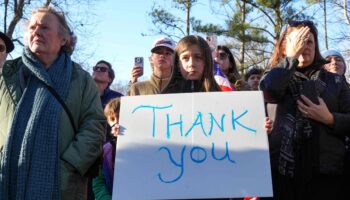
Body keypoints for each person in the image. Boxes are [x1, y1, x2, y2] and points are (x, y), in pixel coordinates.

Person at [0, 6, 105, 200]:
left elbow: (94, 126)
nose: (36, 32)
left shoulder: (81, 79)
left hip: (62, 185)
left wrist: (68, 165)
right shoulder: (7, 74)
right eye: (32, 28)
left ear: (63, 38)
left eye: (44, 27)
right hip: (6, 179)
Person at [260, 20, 350, 200]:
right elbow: (270, 92)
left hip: (325, 174)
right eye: (297, 41)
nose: (304, 46)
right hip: (281, 173)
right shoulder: (271, 77)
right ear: (284, 46)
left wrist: (330, 119)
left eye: (309, 42)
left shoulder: (336, 82)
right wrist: (291, 58)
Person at [322, 49, 350, 199]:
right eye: (329, 59)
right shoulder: (317, 90)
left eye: (338, 59)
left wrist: (330, 118)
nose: (334, 62)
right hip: (329, 165)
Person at [93, 98, 121, 200]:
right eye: (113, 119)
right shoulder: (105, 151)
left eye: (121, 117)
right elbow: (98, 182)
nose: (117, 123)